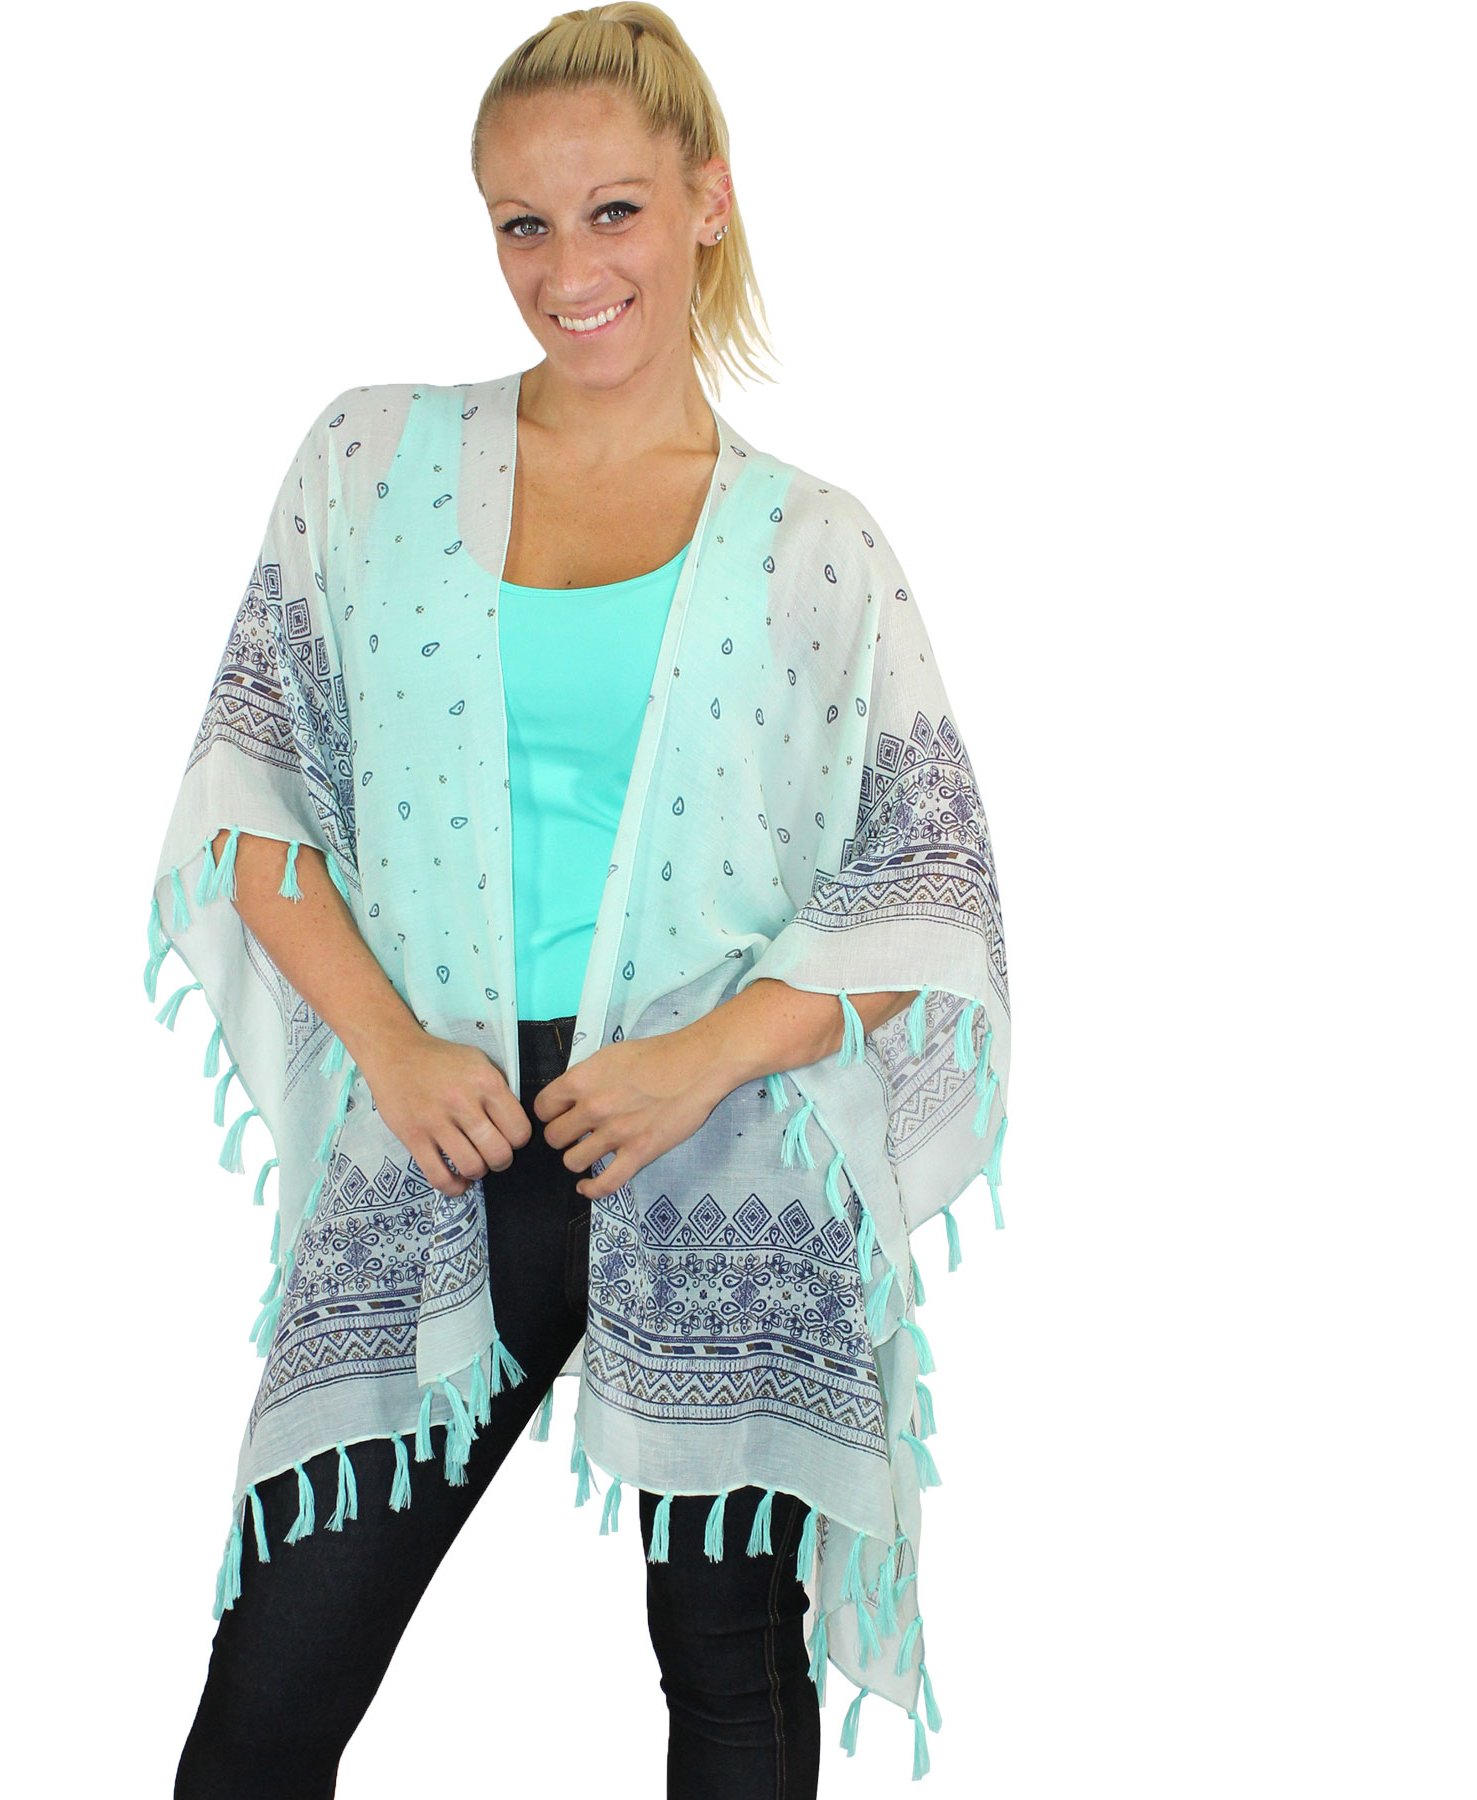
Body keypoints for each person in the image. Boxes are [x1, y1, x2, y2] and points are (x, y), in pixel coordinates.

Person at [144, 7, 1012, 1795]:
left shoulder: (813, 546)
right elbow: (255, 784)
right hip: (436, 1143)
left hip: (723, 1156)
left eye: (614, 211)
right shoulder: (372, 464)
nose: (568, 271)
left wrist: (702, 1058)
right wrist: (390, 1051)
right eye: (522, 226)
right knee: (272, 1696)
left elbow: (924, 882)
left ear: (707, 202)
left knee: (733, 1689)